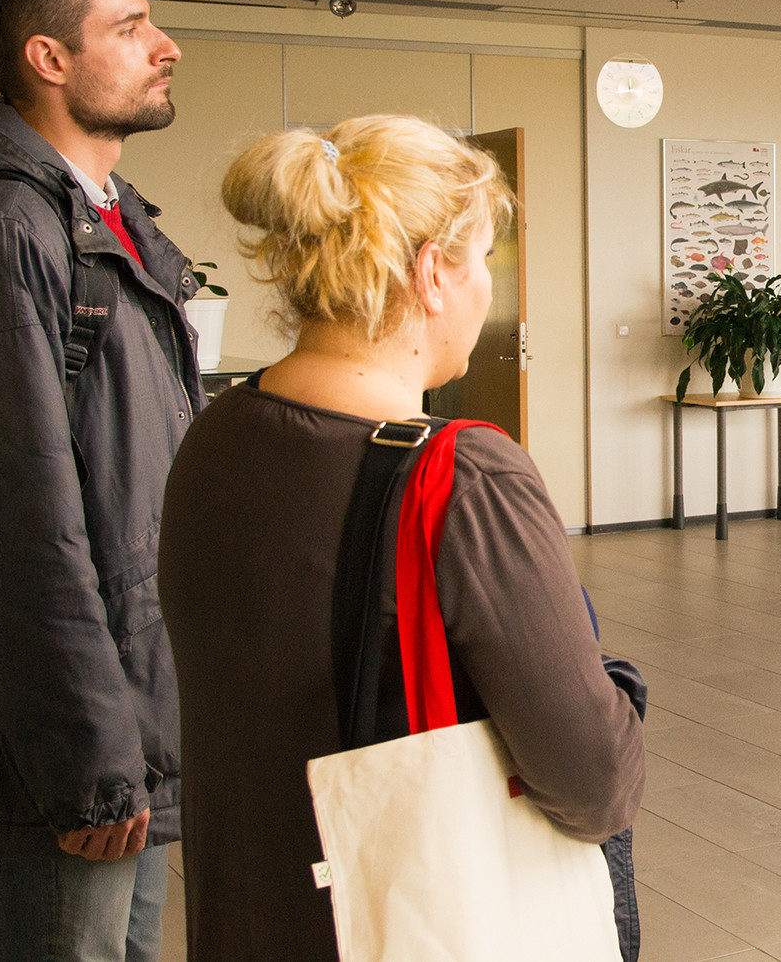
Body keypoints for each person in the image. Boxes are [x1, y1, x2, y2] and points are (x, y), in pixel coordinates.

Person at [156, 115, 646, 960]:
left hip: (250, 914)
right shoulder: (466, 478)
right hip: (405, 926)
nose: (486, 287)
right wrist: (620, 694)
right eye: (481, 259)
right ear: (431, 275)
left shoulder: (215, 435)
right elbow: (594, 782)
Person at [0, 0, 201, 961]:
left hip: (137, 698)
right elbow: (6, 529)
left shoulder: (106, 218)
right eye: (131, 26)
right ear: (49, 58)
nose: (164, 45)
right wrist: (89, 763)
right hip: (82, 725)